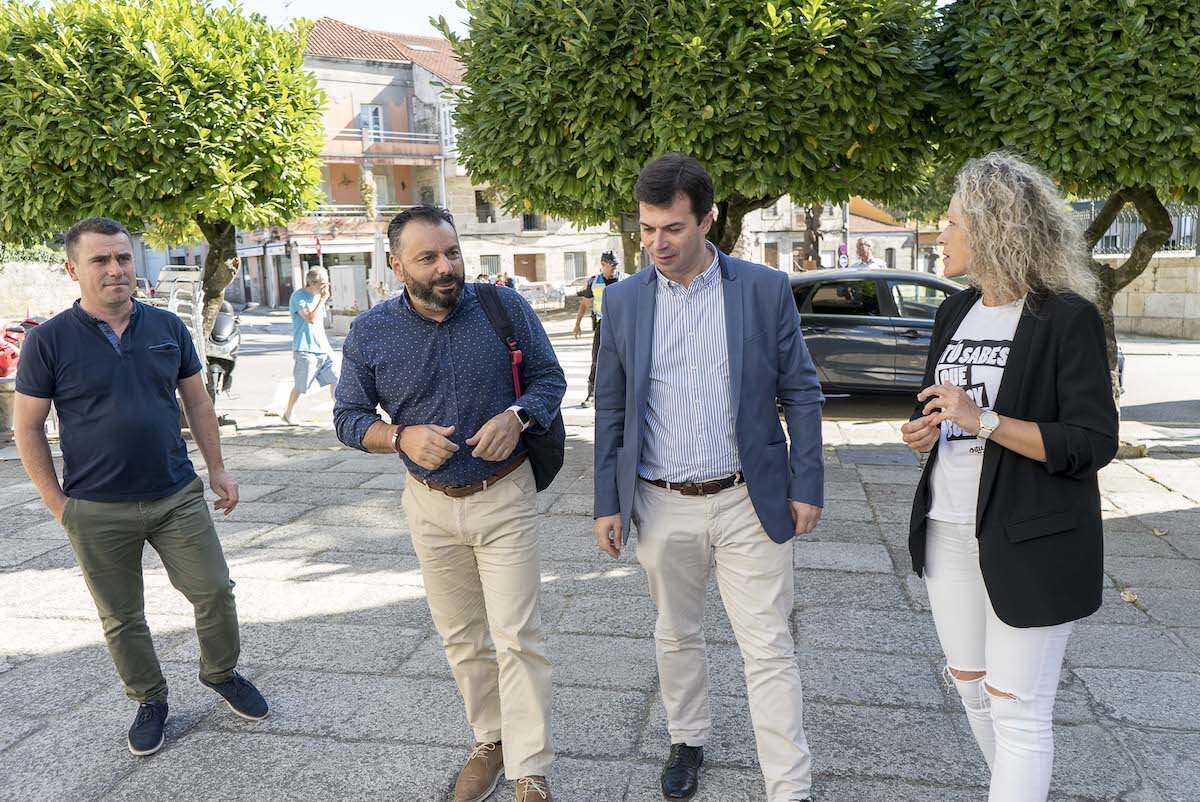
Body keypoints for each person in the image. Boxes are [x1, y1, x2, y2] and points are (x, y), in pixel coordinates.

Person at [592, 154, 824, 802]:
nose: (657, 244)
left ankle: (789, 788)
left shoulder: (763, 289)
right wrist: (606, 501)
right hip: (661, 502)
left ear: (709, 220)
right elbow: (611, 406)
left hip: (749, 498)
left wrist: (807, 482)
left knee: (769, 648)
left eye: (672, 229)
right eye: (647, 229)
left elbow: (802, 393)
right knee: (675, 634)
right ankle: (687, 738)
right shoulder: (624, 301)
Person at [900, 153, 1118, 802]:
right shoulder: (954, 312)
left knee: (1017, 705)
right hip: (949, 530)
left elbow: (1091, 441)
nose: (940, 234)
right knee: (971, 687)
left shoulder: (1066, 318)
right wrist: (927, 434)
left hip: (1033, 538)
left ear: (994, 229)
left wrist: (984, 420)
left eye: (951, 221)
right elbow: (947, 415)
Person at [334, 206, 566, 802]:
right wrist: (399, 436)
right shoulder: (371, 332)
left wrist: (518, 417)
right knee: (462, 636)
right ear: (395, 266)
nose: (446, 268)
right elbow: (347, 417)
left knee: (517, 635)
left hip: (504, 496)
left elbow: (549, 379)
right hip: (430, 505)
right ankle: (490, 739)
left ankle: (531, 769)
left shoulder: (501, 308)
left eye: (452, 253)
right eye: (428, 258)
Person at [12, 217, 268, 757]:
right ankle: (150, 699)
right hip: (96, 506)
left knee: (214, 591)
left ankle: (220, 673)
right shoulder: (48, 340)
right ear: (72, 269)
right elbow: (28, 427)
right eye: (100, 260)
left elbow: (197, 402)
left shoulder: (167, 328)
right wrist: (59, 505)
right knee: (122, 615)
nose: (115, 269)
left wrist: (217, 469)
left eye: (123, 258)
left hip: (175, 494)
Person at [282, 267, 337, 425]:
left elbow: (319, 324)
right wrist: (323, 300)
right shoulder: (298, 297)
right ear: (311, 283)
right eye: (322, 283)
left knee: (336, 379)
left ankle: (340, 413)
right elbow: (311, 318)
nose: (325, 287)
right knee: (301, 384)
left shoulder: (319, 296)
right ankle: (288, 413)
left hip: (323, 348)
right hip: (305, 348)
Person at [572, 250, 621, 408]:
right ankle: (592, 394)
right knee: (596, 360)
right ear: (603, 264)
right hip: (603, 325)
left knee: (624, 359)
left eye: (616, 264)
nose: (614, 268)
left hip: (621, 325)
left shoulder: (624, 279)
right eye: (611, 264)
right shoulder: (594, 281)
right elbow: (584, 304)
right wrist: (577, 324)